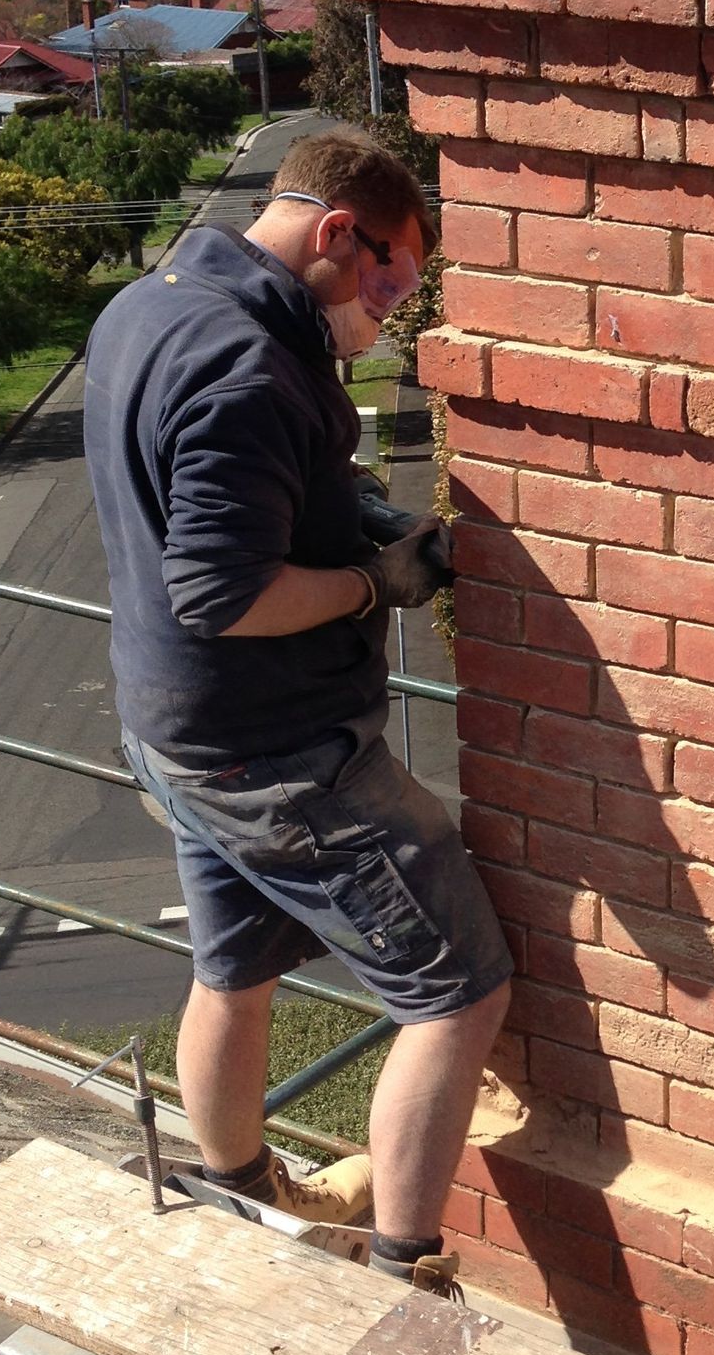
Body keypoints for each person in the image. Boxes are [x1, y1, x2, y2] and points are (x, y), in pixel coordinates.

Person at [85, 125, 511, 1296]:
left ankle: (244, 1191)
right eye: (388, 286)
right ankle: (406, 1274)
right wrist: (376, 581)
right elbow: (224, 593)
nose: (387, 317)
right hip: (276, 757)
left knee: (232, 970)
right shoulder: (252, 371)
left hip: (178, 734)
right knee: (458, 991)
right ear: (334, 232)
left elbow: (217, 496)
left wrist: (348, 509)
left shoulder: (154, 304)